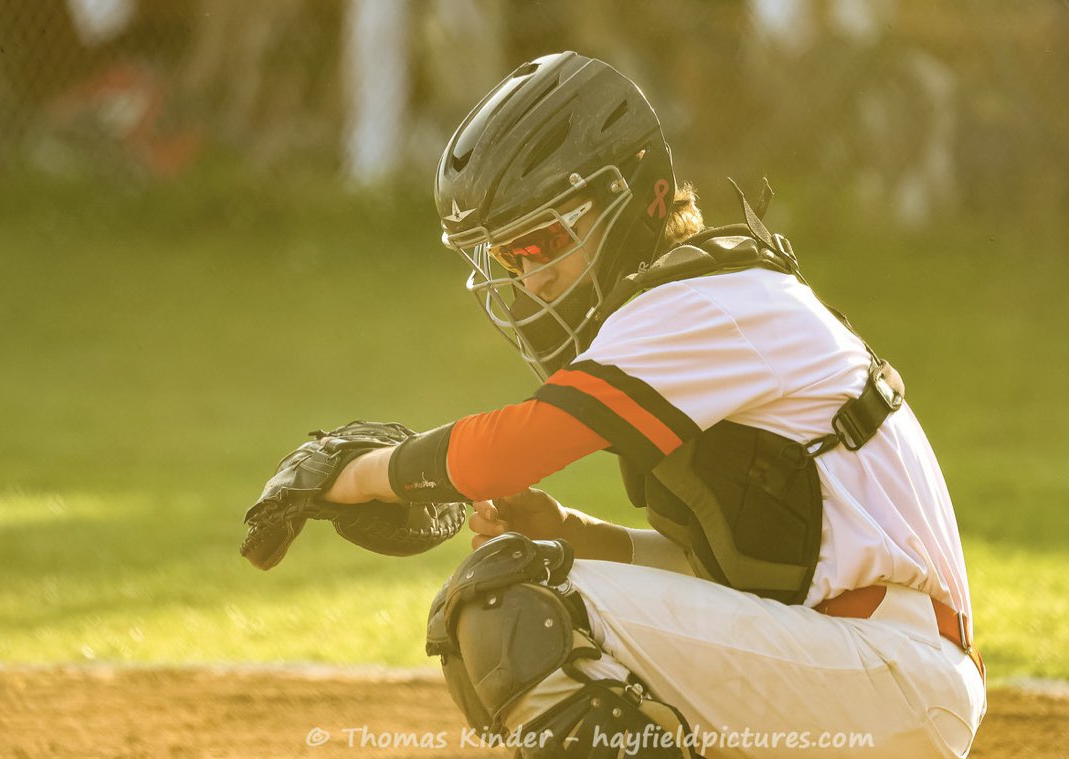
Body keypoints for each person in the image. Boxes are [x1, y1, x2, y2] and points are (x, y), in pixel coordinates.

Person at [322, 51, 985, 758]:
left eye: (542, 241)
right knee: (511, 592)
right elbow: (746, 573)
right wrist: (573, 530)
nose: (529, 277)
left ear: (637, 198)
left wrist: (358, 472)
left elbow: (512, 448)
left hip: (885, 672)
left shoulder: (696, 303)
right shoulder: (707, 298)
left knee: (513, 601)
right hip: (868, 669)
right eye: (511, 258)